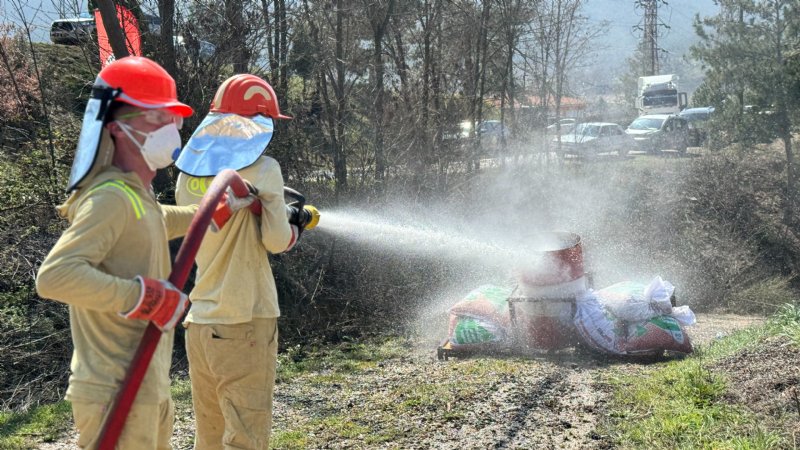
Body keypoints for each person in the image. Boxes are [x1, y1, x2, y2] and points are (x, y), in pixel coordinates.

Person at [35, 56, 251, 450]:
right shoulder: (110, 199)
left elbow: (156, 220)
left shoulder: (137, 195)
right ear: (119, 130)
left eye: (173, 121)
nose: (171, 131)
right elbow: (55, 276)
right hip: (115, 388)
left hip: (144, 382)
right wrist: (143, 297)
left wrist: (210, 214)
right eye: (157, 120)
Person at [174, 74, 300, 450]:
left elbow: (216, 221)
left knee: (210, 437)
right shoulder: (263, 170)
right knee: (246, 438)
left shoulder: (188, 174)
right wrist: (296, 226)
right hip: (244, 320)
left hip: (200, 324)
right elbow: (277, 241)